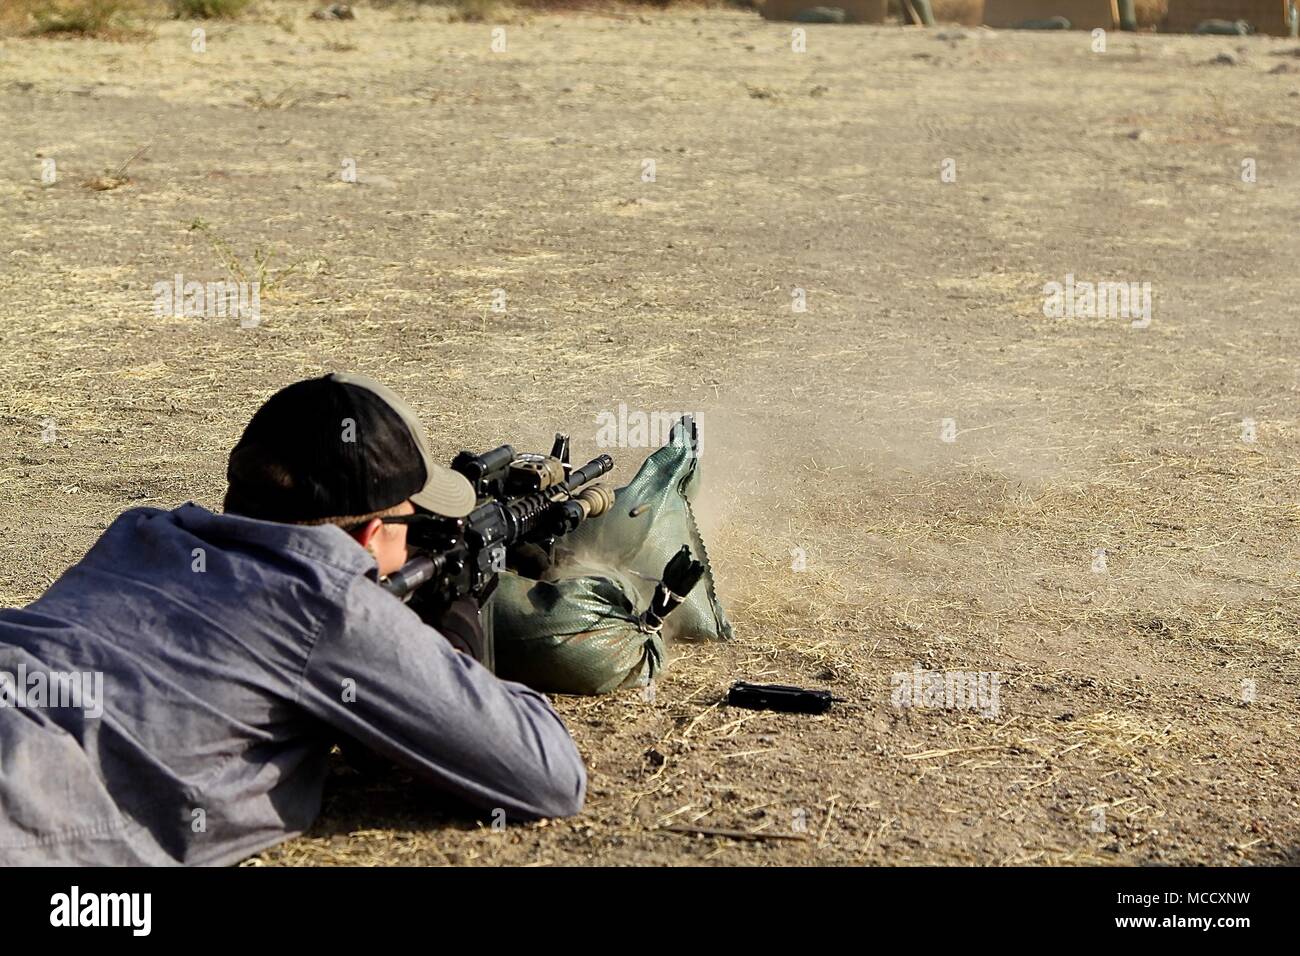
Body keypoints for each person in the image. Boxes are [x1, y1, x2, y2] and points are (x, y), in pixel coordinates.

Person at [0, 372, 586, 865]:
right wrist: (454, 629)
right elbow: (547, 773)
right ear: (371, 535)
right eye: (415, 527)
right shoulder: (330, 607)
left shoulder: (142, 532)